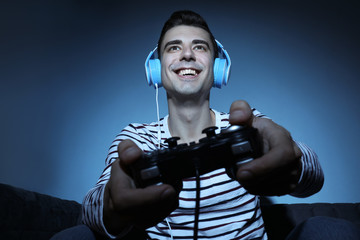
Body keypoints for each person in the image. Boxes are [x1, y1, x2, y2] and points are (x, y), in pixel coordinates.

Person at [52, 10, 357, 240]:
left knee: (328, 229)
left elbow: (313, 173)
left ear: (218, 68)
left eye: (200, 47)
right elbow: (90, 208)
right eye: (173, 48)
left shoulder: (246, 126)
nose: (187, 54)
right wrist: (113, 206)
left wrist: (293, 161)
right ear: (156, 71)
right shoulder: (137, 137)